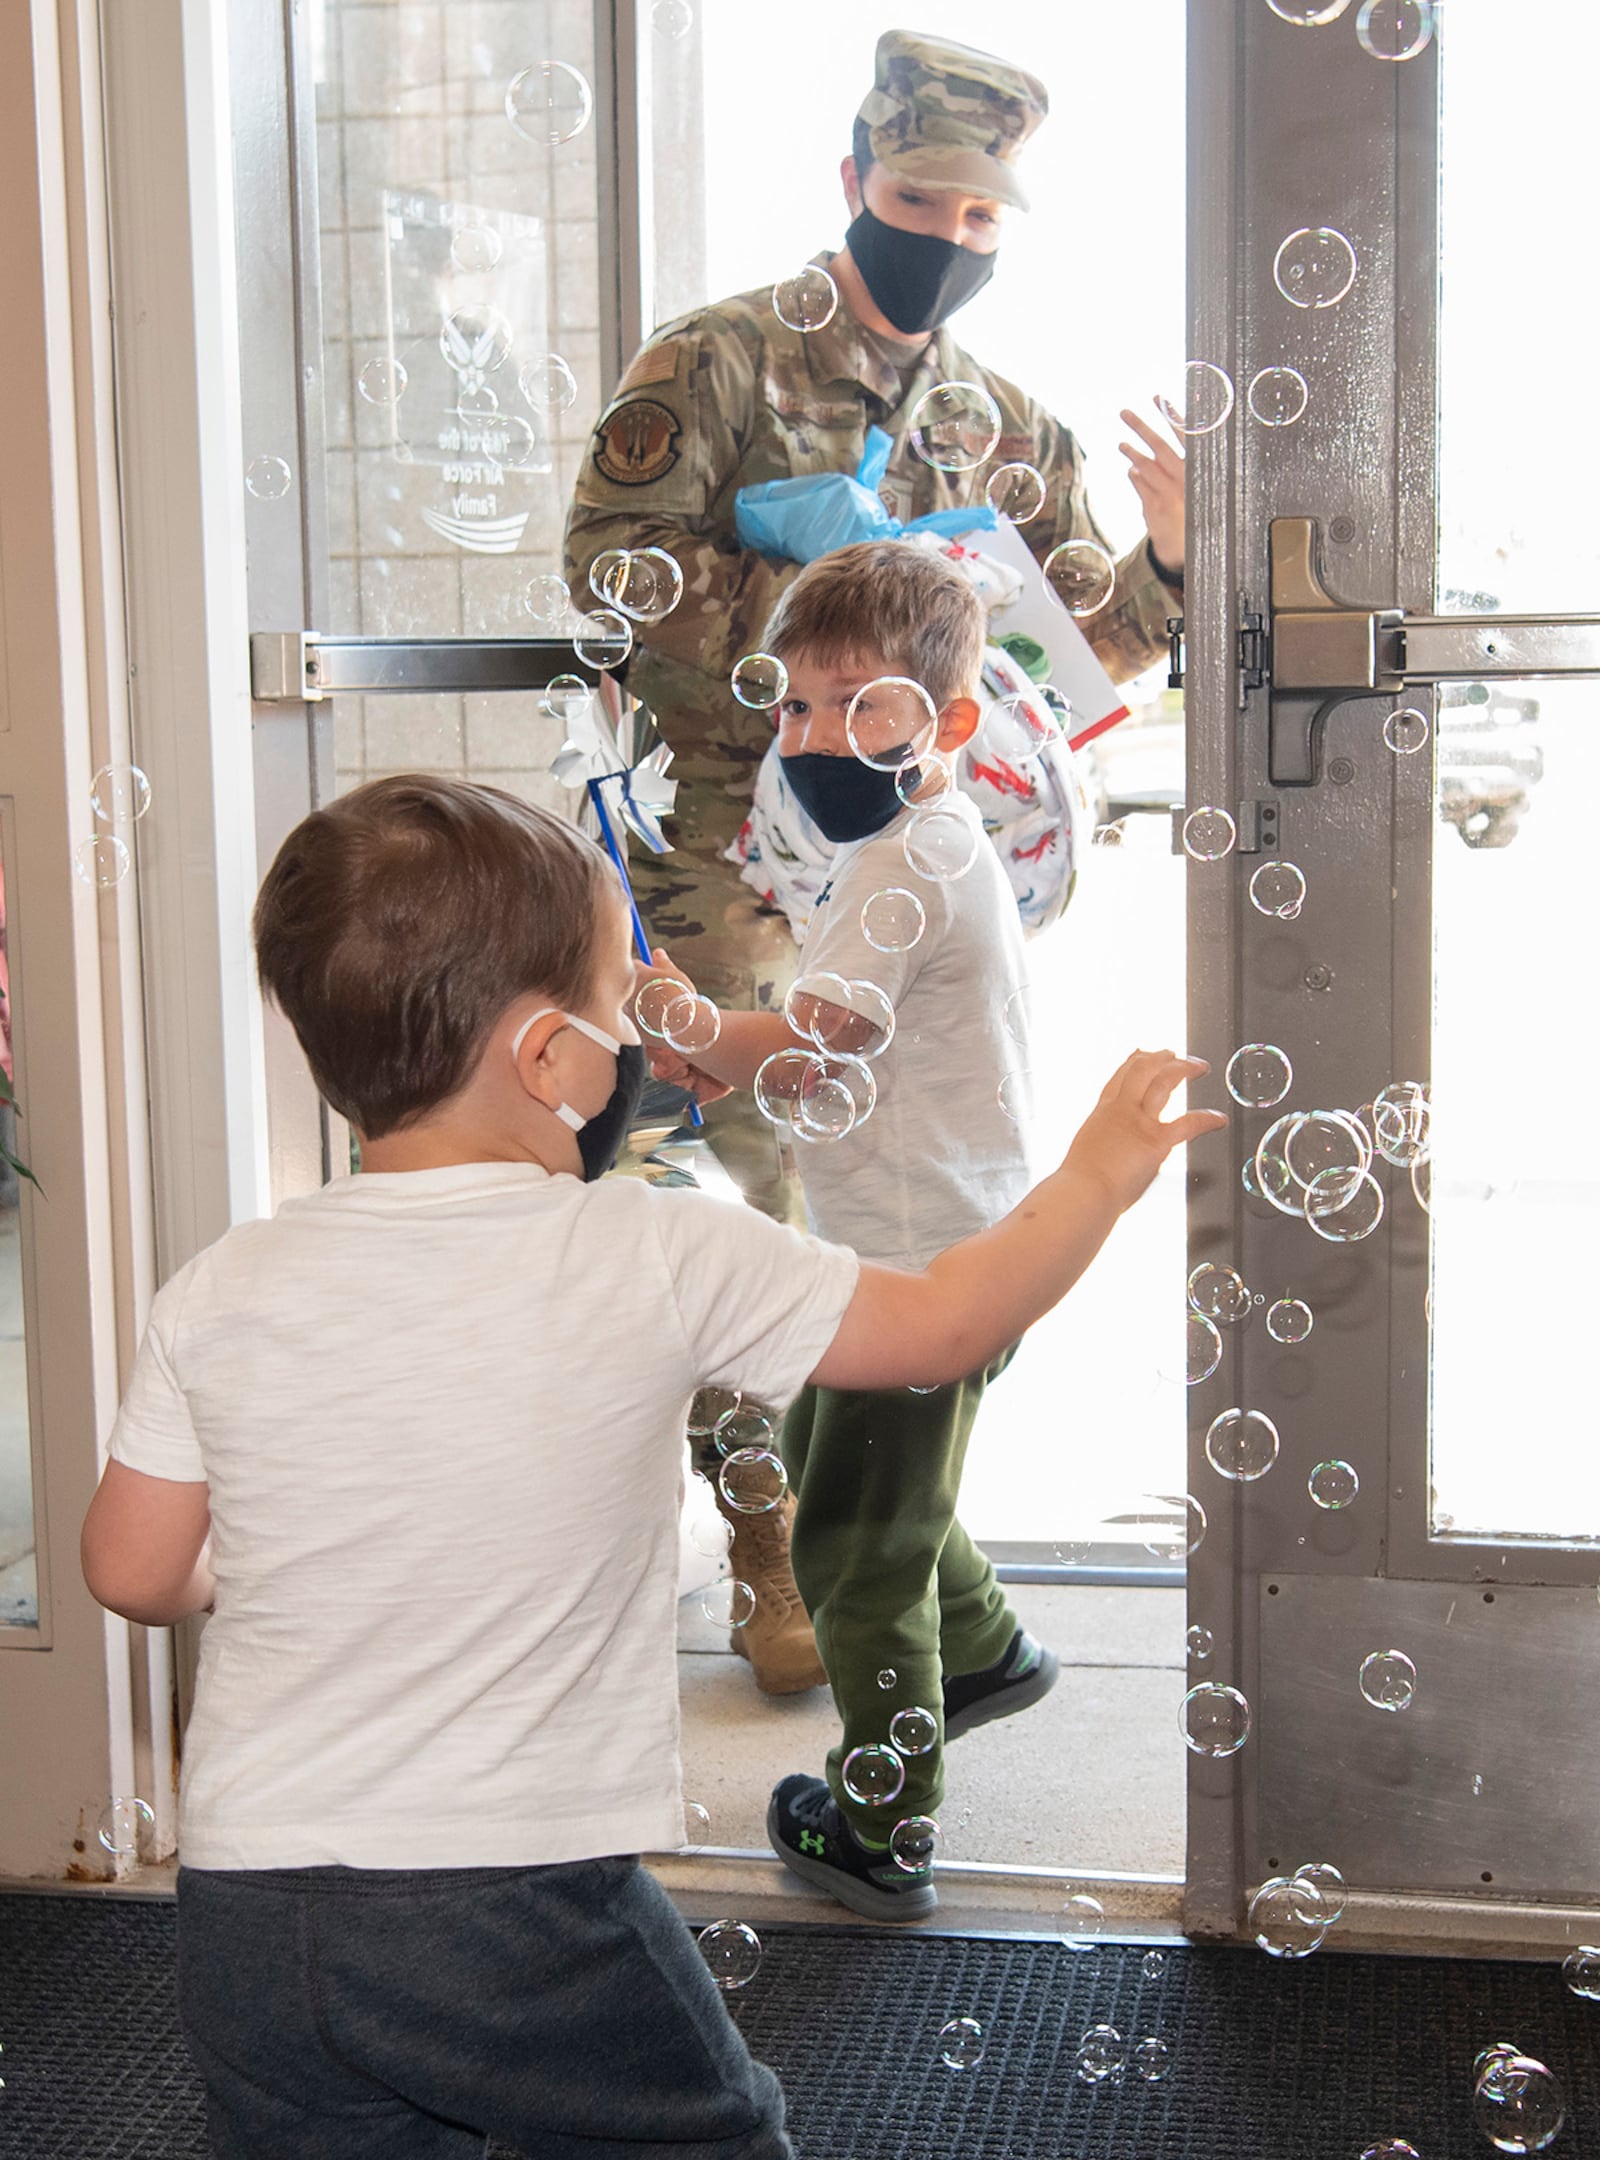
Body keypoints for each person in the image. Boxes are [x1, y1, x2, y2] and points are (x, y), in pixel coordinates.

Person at [78, 772, 1220, 2152]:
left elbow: (133, 1569)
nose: (643, 1044)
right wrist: (1099, 1170)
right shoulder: (652, 1248)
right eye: (625, 1009)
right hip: (514, 1905)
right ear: (553, 1061)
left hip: (248, 1907)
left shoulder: (225, 1281)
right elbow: (948, 1322)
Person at [564, 28, 1185, 1682]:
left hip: (914, 866)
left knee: (904, 1211)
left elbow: (1077, 654)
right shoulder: (714, 362)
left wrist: (1173, 561)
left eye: (987, 220)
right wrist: (801, 606)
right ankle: (775, 1544)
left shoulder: (1003, 422)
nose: (952, 239)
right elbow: (605, 570)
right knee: (760, 1197)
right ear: (856, 181)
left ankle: (907, 1558)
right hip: (730, 857)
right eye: (924, 200)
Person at [635, 541, 1101, 1919]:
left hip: (932, 1266)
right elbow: (825, 1058)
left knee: (851, 1544)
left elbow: (820, 1033)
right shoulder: (892, 843)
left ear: (949, 724)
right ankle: (988, 1649)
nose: (820, 737)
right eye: (798, 708)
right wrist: (718, 1047)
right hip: (906, 1248)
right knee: (825, 1460)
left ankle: (883, 1824)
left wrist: (683, 1019)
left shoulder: (912, 862)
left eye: (866, 707)